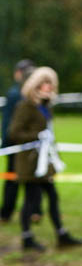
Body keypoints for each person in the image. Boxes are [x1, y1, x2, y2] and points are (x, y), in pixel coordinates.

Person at [8, 67, 82, 251]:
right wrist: (37, 136)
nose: (48, 87)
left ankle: (61, 234)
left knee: (52, 196)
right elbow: (14, 132)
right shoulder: (25, 106)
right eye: (45, 83)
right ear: (36, 85)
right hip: (30, 163)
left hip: (44, 162)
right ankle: (27, 237)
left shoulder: (45, 106)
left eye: (51, 83)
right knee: (31, 199)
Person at [1, 59, 36, 222]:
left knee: (27, 180)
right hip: (16, 144)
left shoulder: (22, 93)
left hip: (25, 143)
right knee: (14, 178)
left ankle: (28, 212)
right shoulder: (16, 93)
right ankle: (8, 212)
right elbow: (10, 124)